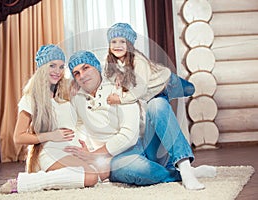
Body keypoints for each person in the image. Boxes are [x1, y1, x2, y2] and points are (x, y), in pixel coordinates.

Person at [66, 50, 216, 190]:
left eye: (86, 68)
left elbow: (129, 135)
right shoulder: (77, 98)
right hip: (116, 158)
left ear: (97, 67)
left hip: (144, 145)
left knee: (157, 104)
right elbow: (78, 125)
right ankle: (176, 174)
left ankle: (185, 167)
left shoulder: (119, 85)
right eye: (76, 73)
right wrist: (84, 150)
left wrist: (97, 154)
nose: (82, 75)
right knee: (139, 170)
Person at [0, 44, 108, 194]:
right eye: (52, 66)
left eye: (61, 67)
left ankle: (54, 177)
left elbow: (94, 83)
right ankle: (25, 183)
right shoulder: (31, 98)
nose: (57, 71)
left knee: (105, 172)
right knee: (91, 177)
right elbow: (18, 137)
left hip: (72, 148)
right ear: (42, 67)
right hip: (50, 150)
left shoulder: (65, 93)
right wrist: (51, 135)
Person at [105, 22, 195, 105]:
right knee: (159, 108)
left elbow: (141, 88)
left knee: (190, 90)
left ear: (129, 45)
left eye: (122, 41)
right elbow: (109, 76)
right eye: (114, 42)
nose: (117, 45)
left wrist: (120, 100)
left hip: (168, 82)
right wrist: (117, 78)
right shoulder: (111, 61)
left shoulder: (138, 61)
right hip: (153, 94)